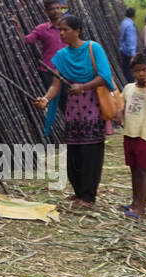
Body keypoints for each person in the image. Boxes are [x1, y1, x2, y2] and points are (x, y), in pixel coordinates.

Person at [33, 14, 111, 209]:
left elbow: (104, 76)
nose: (61, 33)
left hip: (92, 110)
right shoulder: (61, 56)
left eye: (65, 29)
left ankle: (88, 196)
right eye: (59, 29)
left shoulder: (93, 49)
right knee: (74, 154)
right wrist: (45, 99)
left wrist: (83, 87)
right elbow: (55, 85)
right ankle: (78, 192)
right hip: (73, 113)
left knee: (90, 153)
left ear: (77, 31)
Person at [9, 0, 67, 133]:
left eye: (58, 8)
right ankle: (56, 130)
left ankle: (71, 129)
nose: (56, 11)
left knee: (68, 101)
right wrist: (17, 28)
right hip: (49, 70)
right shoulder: (42, 29)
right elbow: (27, 40)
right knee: (52, 101)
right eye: (52, 9)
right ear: (47, 11)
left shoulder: (68, 28)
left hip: (68, 71)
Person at [119, 54, 146, 219]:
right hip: (130, 134)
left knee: (143, 172)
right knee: (134, 171)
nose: (141, 74)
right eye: (137, 71)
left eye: (144, 70)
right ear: (132, 73)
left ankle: (141, 208)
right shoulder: (129, 88)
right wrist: (118, 114)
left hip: (145, 136)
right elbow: (122, 105)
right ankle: (134, 203)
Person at [118, 6, 138, 80]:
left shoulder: (124, 23)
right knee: (130, 72)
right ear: (133, 16)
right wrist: (133, 53)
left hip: (123, 49)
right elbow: (130, 40)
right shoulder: (130, 25)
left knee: (125, 70)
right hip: (128, 52)